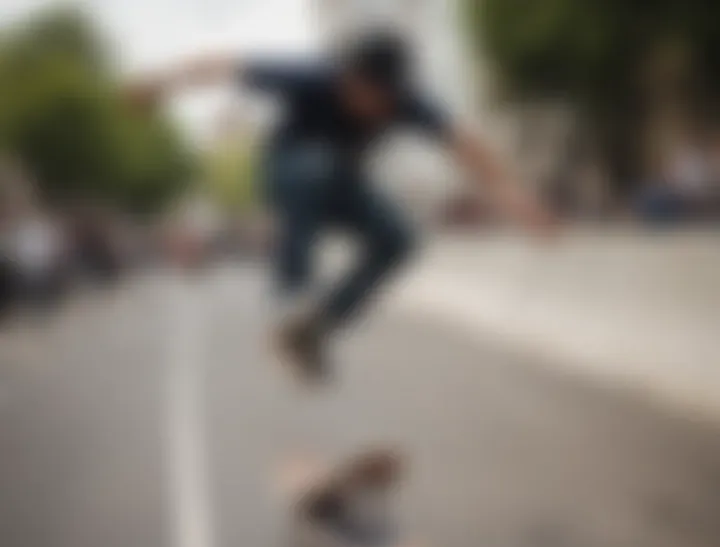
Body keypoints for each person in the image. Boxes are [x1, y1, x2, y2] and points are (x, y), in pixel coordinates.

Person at [131, 30, 555, 381]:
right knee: (318, 163)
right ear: (349, 77)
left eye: (381, 100)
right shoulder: (314, 76)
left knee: (401, 240)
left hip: (343, 188)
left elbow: (464, 144)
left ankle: (316, 329)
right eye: (362, 93)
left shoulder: (405, 102)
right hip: (286, 172)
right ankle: (290, 294)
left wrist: (516, 200)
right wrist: (160, 83)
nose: (370, 107)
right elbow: (225, 65)